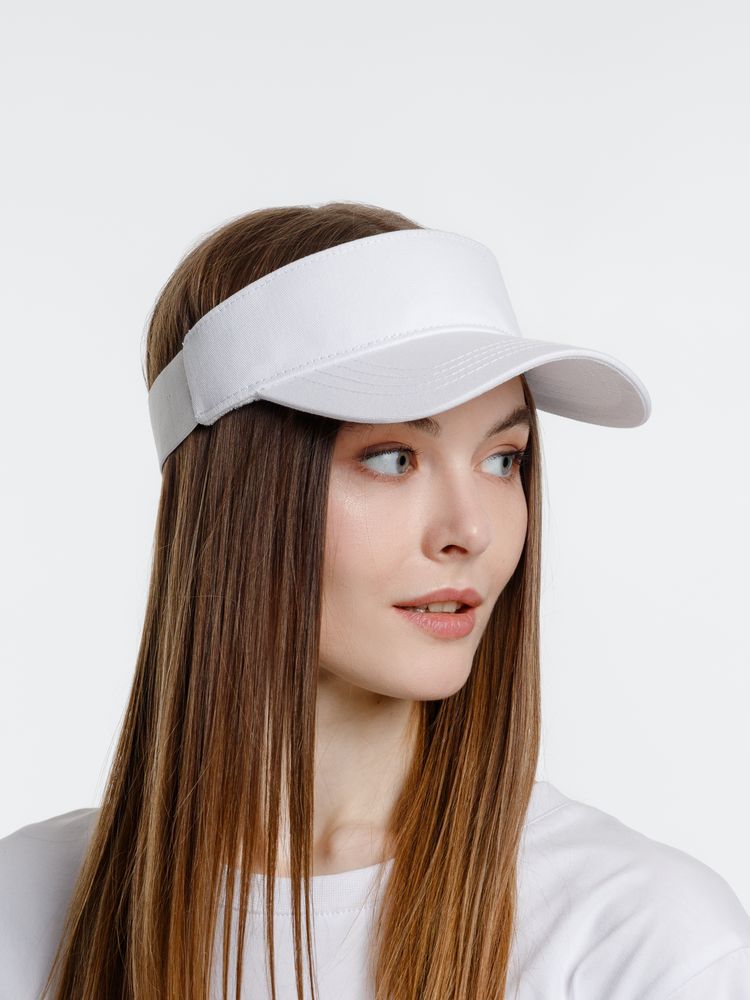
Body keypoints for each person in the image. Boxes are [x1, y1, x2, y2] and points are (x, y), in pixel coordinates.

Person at [0, 201, 748, 1000]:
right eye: (393, 458)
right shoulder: (23, 909)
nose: (471, 531)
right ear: (236, 494)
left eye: (503, 460)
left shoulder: (646, 943)